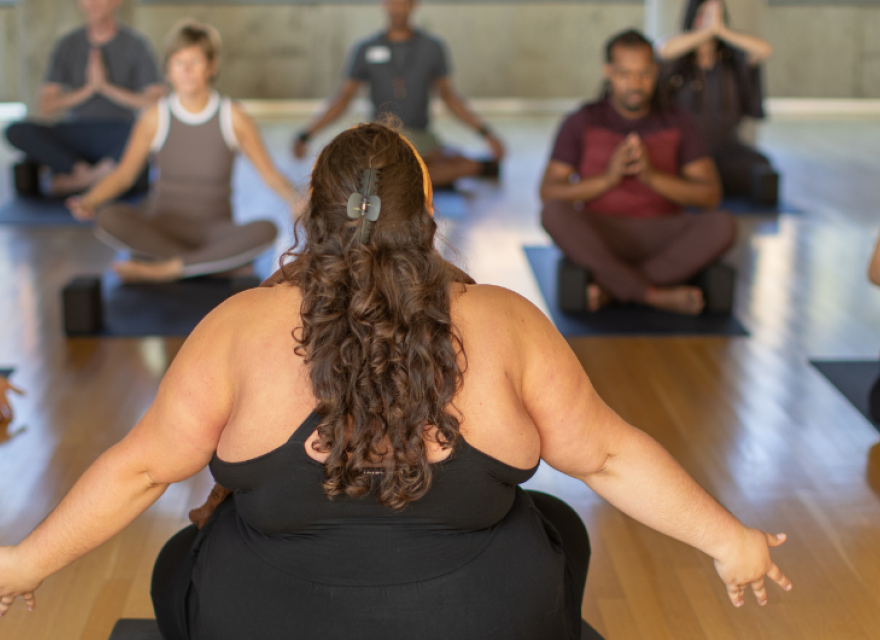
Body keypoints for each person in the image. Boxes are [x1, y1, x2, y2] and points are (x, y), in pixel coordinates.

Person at [0, 122, 791, 638]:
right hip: (477, 617)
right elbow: (608, 457)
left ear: (313, 211)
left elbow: (141, 469)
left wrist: (22, 564)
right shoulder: (505, 322)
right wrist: (730, 542)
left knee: (184, 556)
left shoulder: (239, 325)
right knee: (558, 524)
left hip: (271, 617)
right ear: (427, 210)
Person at [66, 21, 296, 283]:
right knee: (109, 218)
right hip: (163, 229)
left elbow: (270, 176)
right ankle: (211, 263)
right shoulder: (154, 118)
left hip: (216, 232)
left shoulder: (234, 117)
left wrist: (299, 201)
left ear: (212, 67)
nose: (186, 70)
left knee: (267, 230)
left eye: (194, 61)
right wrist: (90, 200)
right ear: (168, 70)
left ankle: (166, 269)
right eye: (178, 61)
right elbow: (123, 176)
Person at [540, 29, 734, 316]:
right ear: (608, 72)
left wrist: (652, 177)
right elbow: (548, 192)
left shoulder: (678, 121)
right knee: (553, 213)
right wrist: (608, 178)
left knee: (724, 225)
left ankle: (612, 289)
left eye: (644, 73)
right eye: (624, 74)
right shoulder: (582, 120)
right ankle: (652, 295)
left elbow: (710, 195)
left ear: (655, 72)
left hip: (662, 232)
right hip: (603, 233)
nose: (635, 83)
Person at [292, 0, 505, 189]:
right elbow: (343, 99)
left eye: (404, 1)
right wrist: (306, 134)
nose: (398, 6)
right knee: (368, 169)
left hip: (421, 137)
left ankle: (461, 168)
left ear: (414, 4)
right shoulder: (366, 48)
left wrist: (487, 133)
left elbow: (450, 97)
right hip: (383, 139)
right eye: (393, 1)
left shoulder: (432, 48)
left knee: (450, 165)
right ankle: (426, 176)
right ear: (384, 3)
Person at [5, 0, 164, 197]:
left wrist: (106, 88)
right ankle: (90, 175)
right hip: (77, 130)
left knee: (146, 132)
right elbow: (46, 105)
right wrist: (88, 89)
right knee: (15, 130)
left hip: (119, 131)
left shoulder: (136, 44)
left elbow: (157, 102)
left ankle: (80, 182)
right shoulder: (68, 44)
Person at [656, 0, 778, 206]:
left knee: (762, 169)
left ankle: (704, 187)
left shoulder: (732, 59)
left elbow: (764, 50)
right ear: (692, 17)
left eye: (714, 15)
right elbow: (662, 49)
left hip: (726, 149)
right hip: (686, 153)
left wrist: (721, 31)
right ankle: (702, 186)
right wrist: (706, 31)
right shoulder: (678, 60)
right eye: (703, 15)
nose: (709, 21)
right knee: (665, 168)